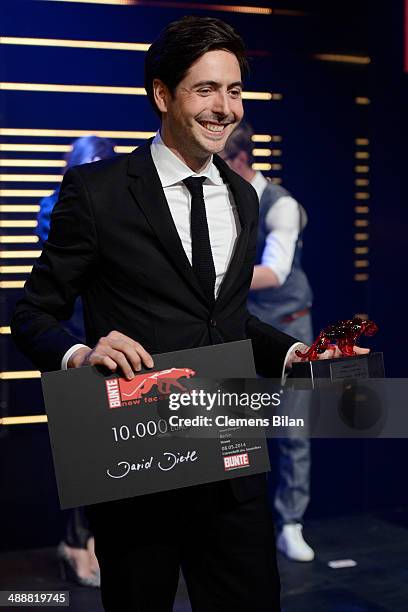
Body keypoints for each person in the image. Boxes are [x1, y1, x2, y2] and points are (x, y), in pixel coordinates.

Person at [11, 16, 368, 611]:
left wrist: (293, 353)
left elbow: (225, 320)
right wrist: (80, 352)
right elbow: (32, 314)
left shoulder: (245, 197)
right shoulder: (96, 193)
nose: (225, 108)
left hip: (231, 459)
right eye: (206, 90)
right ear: (161, 94)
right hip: (137, 457)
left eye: (233, 90)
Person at [223, 123, 315, 562]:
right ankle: (238, 523)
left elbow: (275, 272)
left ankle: (291, 523)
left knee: (293, 428)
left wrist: (212, 282)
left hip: (290, 327)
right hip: (241, 327)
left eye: (221, 160)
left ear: (240, 159)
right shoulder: (218, 200)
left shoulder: (281, 206)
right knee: (237, 430)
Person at [36, 136, 116, 587]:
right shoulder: (56, 207)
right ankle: (77, 540)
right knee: (79, 448)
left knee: (110, 445)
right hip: (71, 342)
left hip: (108, 338)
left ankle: (89, 539)